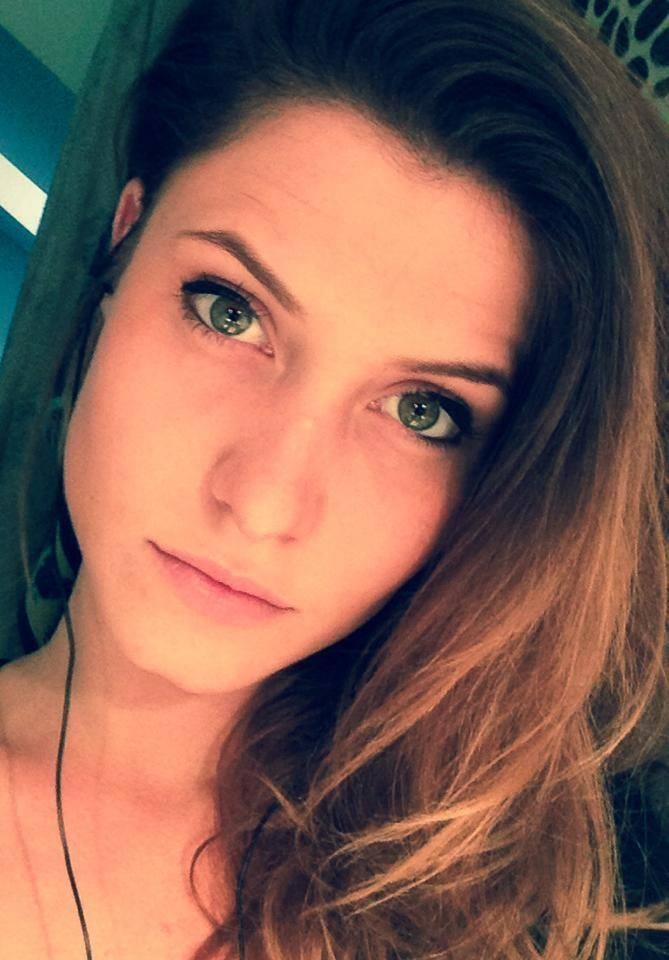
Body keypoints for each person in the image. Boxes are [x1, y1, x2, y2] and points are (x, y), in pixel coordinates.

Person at [0, 0, 667, 958]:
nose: (263, 503)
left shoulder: (563, 917)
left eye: (422, 410)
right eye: (229, 312)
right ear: (123, 244)